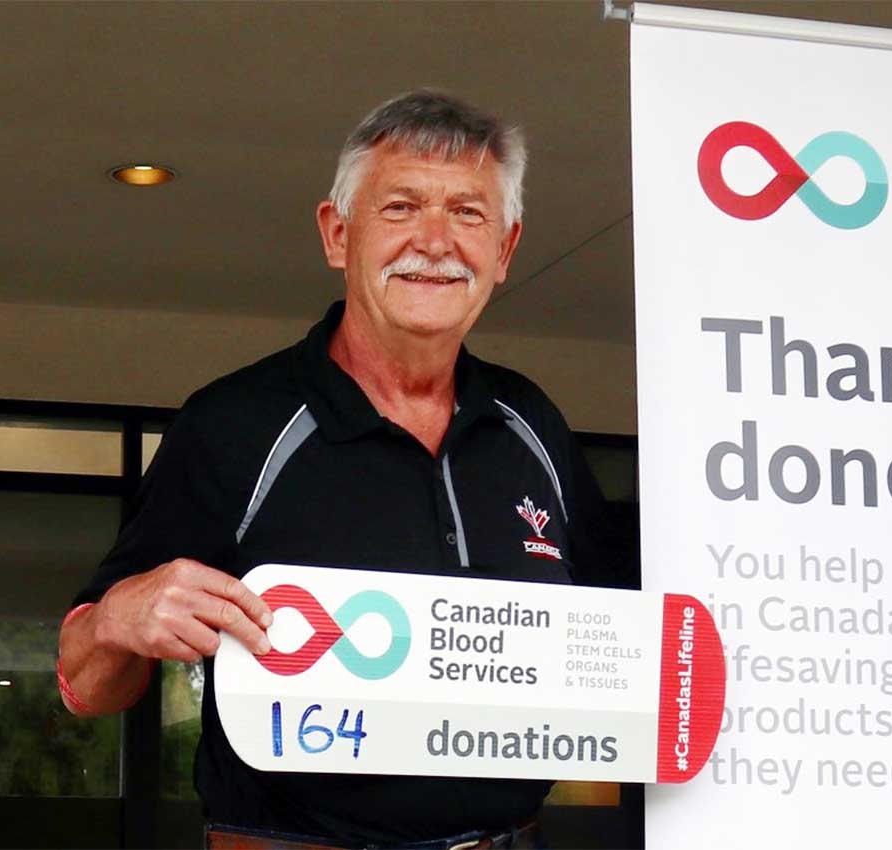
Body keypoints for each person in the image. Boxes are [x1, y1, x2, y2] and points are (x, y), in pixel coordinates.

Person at [57, 90, 628, 849]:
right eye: (399, 207)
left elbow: (618, 646)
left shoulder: (532, 426)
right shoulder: (236, 425)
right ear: (337, 233)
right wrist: (117, 619)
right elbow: (88, 687)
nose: (435, 241)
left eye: (468, 213)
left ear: (506, 249)